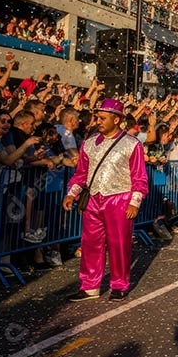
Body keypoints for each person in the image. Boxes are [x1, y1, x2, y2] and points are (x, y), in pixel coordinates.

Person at [62, 99, 148, 302]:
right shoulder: (88, 143)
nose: (98, 121)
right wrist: (71, 193)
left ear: (116, 119)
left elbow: (139, 177)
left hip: (119, 199)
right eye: (97, 117)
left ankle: (119, 284)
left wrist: (134, 202)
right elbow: (81, 173)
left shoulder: (132, 144)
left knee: (119, 243)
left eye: (102, 118)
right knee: (90, 243)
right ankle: (89, 286)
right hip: (93, 199)